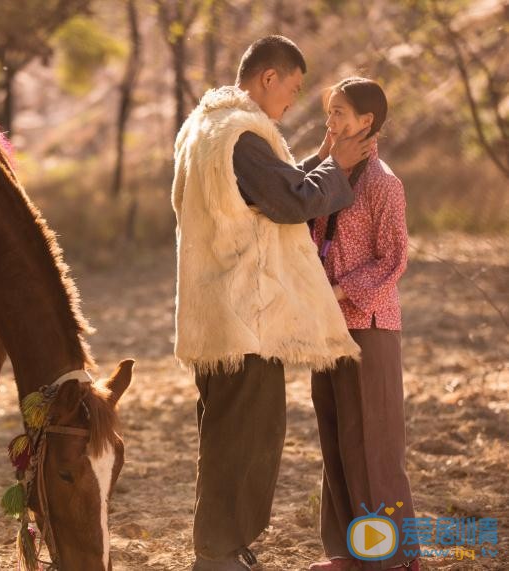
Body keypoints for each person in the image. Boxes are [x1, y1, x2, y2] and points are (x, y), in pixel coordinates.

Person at [171, 36, 374, 571]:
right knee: (245, 436)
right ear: (268, 78)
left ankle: (221, 550)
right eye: (293, 87)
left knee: (225, 432)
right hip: (245, 312)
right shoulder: (241, 134)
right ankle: (218, 555)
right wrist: (340, 167)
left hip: (216, 310)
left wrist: (324, 161)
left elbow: (269, 188)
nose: (293, 100)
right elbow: (290, 202)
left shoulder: (206, 128)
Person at [308, 77, 419, 571]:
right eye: (329, 112)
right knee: (336, 437)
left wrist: (337, 290)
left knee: (373, 442)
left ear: (367, 121)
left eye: (339, 113)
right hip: (325, 328)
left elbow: (393, 260)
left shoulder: (383, 183)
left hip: (368, 325)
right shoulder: (335, 173)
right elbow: (300, 197)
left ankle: (392, 559)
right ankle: (347, 553)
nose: (331, 121)